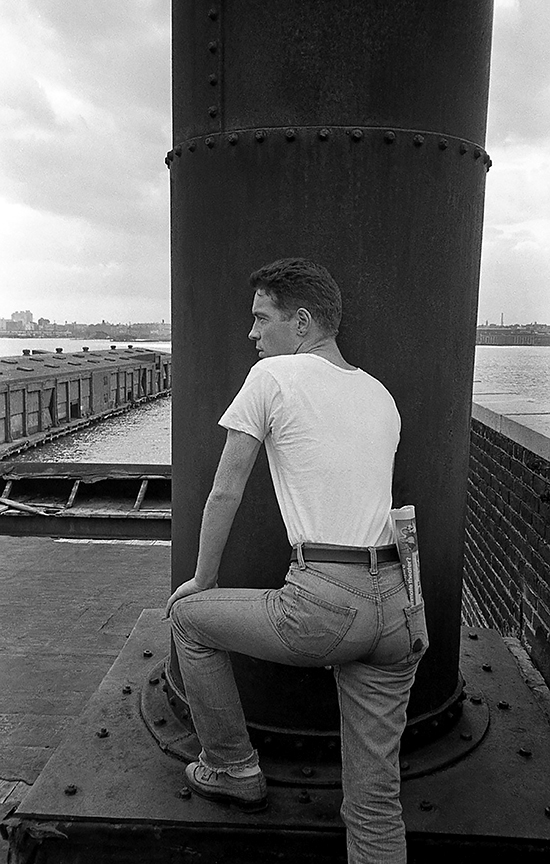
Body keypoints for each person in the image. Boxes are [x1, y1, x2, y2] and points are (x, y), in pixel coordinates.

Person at [167, 257, 428, 863]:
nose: (251, 334)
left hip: (326, 601)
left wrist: (202, 580)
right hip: (403, 609)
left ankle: (232, 768)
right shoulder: (379, 395)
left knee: (188, 620)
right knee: (375, 807)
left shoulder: (272, 378)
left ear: (302, 322)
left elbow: (225, 490)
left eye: (261, 319)